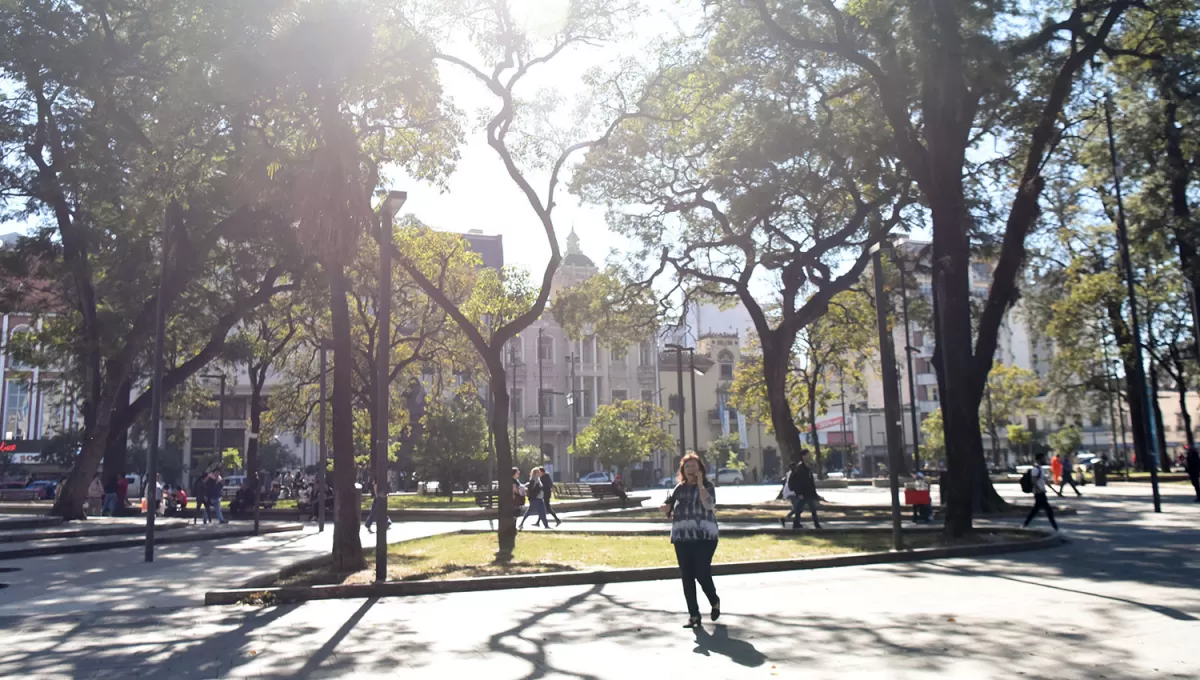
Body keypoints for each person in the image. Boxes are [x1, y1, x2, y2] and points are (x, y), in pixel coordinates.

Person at [661, 452, 720, 629]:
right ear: (682, 471)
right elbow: (667, 506)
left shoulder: (708, 486)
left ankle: (714, 600)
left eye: (694, 466)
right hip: (682, 537)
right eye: (687, 467)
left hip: (705, 536)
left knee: (701, 572)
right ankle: (694, 615)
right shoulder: (679, 488)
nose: (690, 470)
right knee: (687, 576)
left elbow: (709, 505)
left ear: (700, 469)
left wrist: (700, 485)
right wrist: (665, 507)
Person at [1022, 452, 1060, 532]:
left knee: (1036, 510)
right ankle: (1056, 528)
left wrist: (1055, 491)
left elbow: (1045, 481)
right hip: (1039, 493)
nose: (1045, 460)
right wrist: (1038, 489)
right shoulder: (1035, 469)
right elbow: (1033, 480)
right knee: (1048, 510)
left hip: (1042, 492)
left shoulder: (1040, 469)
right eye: (1043, 458)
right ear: (1039, 459)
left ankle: (1025, 524)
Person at [787, 451, 821, 530]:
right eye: (808, 455)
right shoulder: (800, 468)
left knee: (801, 509)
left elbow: (810, 481)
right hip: (803, 493)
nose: (809, 456)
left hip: (808, 492)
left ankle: (797, 523)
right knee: (805, 509)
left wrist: (815, 493)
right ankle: (815, 524)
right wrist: (799, 493)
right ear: (803, 456)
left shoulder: (808, 467)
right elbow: (798, 482)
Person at [780, 462, 799, 528]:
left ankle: (795, 522)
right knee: (797, 507)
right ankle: (787, 519)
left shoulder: (789, 473)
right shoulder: (792, 473)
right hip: (791, 492)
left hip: (790, 492)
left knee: (797, 507)